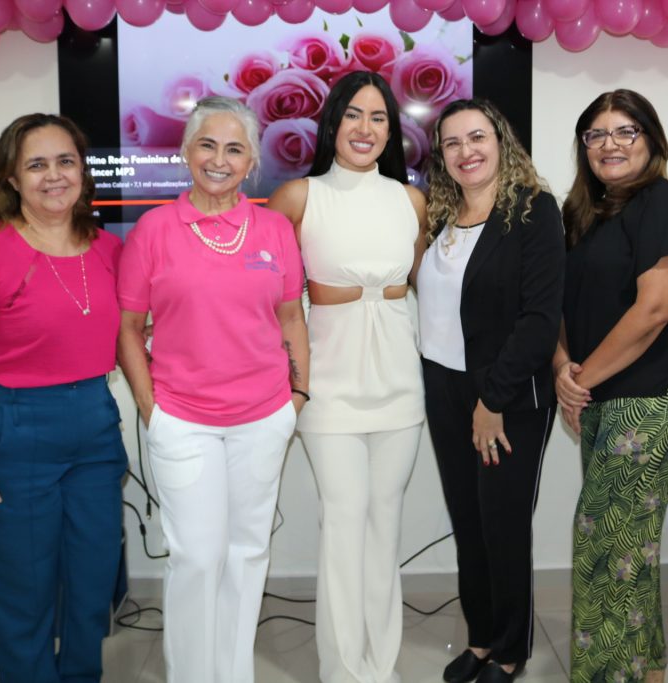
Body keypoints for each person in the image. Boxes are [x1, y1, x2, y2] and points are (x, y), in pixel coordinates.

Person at [0, 114, 127, 683]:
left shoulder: (107, 250)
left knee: (93, 586)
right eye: (36, 165)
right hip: (12, 431)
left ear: (83, 171)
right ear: (11, 179)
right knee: (24, 593)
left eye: (65, 161)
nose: (54, 176)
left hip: (93, 424)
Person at [116, 96, 308, 683]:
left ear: (252, 162)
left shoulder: (274, 228)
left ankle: (233, 673)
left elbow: (291, 319)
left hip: (263, 416)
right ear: (184, 151)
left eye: (234, 149)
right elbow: (127, 330)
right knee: (197, 557)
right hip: (183, 418)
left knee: (247, 553)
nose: (219, 160)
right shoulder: (153, 230)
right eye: (207, 145)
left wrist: (297, 396)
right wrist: (152, 409)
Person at [268, 71, 427, 683]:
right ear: (332, 123)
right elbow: (269, 300)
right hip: (327, 387)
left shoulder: (410, 200)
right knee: (343, 521)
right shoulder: (298, 197)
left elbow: (426, 290)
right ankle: (342, 671)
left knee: (385, 523)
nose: (366, 129)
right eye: (354, 115)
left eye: (379, 117)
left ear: (393, 130)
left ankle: (379, 664)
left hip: (398, 384)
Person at [554, 90, 668, 683]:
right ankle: (644, 669)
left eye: (626, 132)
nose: (610, 145)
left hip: (648, 395)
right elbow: (560, 305)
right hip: (598, 393)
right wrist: (564, 369)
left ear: (652, 141)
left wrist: (580, 381)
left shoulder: (663, 203)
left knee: (603, 547)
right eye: (596, 134)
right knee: (627, 547)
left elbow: (654, 311)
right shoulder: (585, 214)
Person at [416, 98, 564, 683]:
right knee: (469, 521)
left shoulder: (533, 211)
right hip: (444, 387)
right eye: (452, 143)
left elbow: (538, 318)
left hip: (505, 397)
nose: (465, 151)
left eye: (476, 137)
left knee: (503, 525)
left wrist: (491, 401)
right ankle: (479, 637)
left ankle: (510, 649)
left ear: (501, 141)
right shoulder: (441, 217)